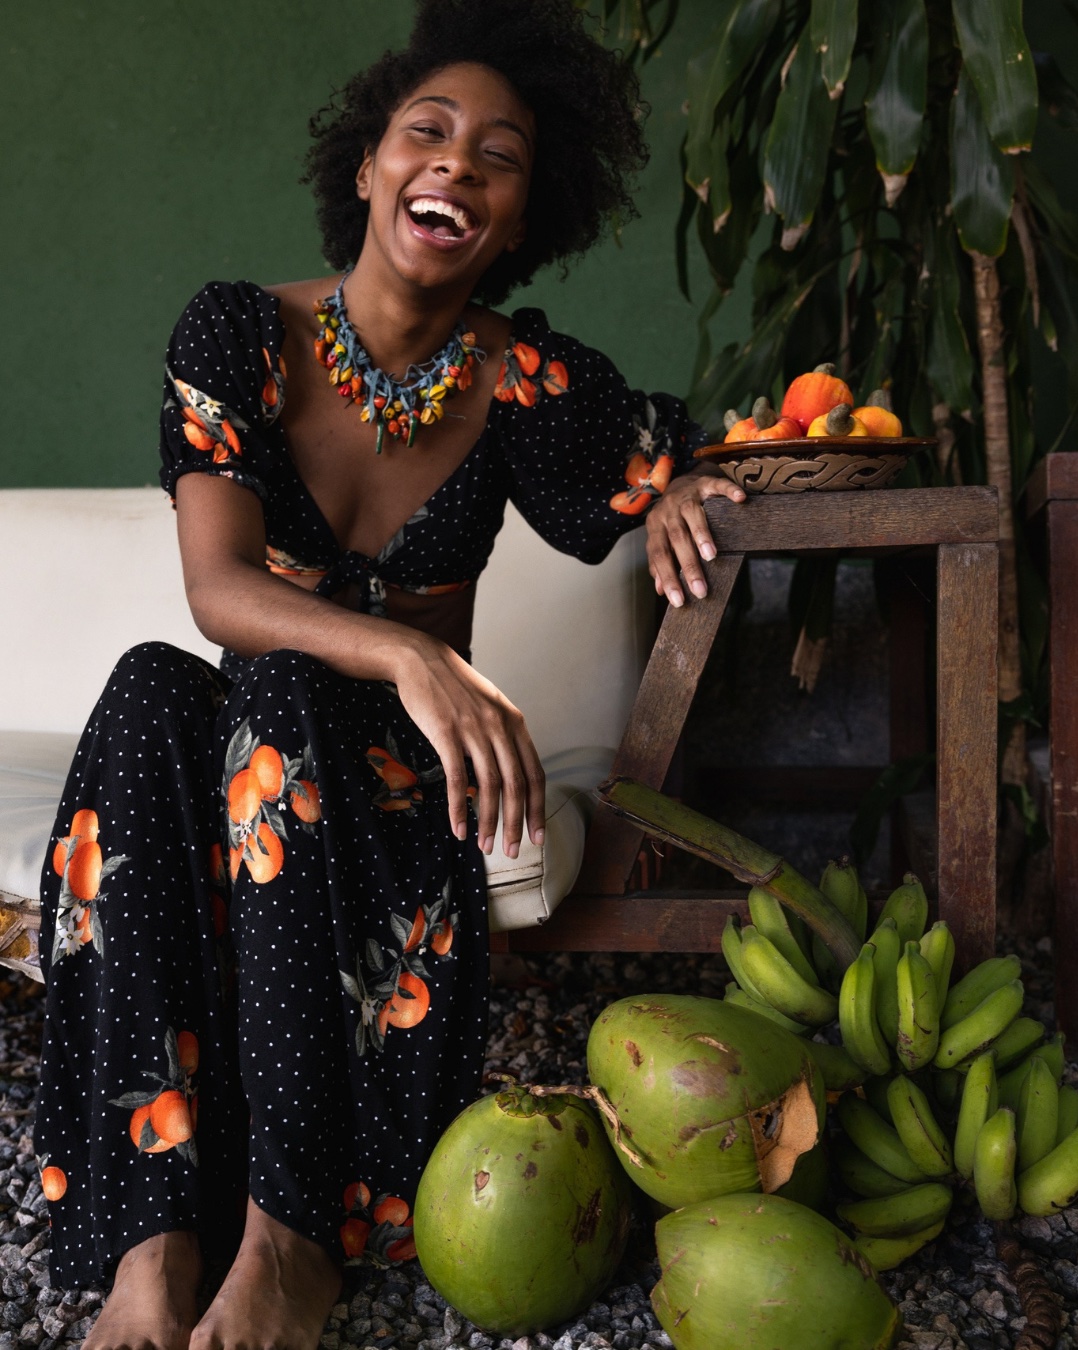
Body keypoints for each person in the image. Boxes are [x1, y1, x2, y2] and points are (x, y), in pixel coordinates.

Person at [33, 2, 746, 1347]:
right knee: (152, 683)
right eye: (426, 133)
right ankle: (152, 1250)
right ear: (365, 167)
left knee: (290, 696)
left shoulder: (523, 380)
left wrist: (682, 492)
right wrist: (414, 648)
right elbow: (220, 593)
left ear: (522, 220)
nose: (456, 166)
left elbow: (664, 462)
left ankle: (290, 1243)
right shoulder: (237, 336)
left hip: (394, 796)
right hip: (264, 755)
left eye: (500, 156)